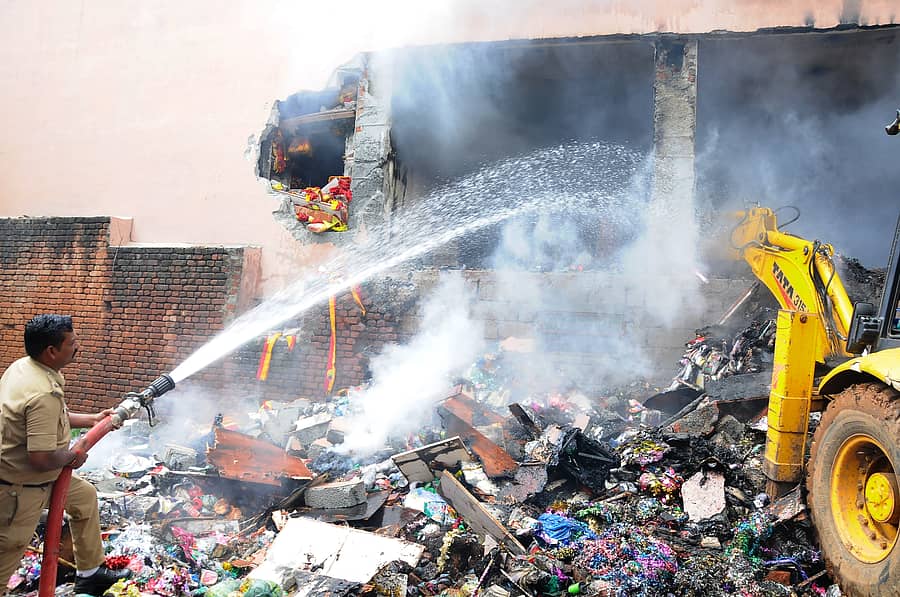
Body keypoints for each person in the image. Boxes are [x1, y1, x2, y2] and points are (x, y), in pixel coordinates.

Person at [0, 315, 130, 595]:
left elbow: (52, 419)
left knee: (84, 497)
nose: (77, 347)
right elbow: (41, 457)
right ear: (51, 351)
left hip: (40, 477)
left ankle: (91, 572)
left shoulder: (24, 367)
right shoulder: (42, 392)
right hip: (20, 489)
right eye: (72, 343)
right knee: (6, 557)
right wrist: (72, 456)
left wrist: (93, 419)